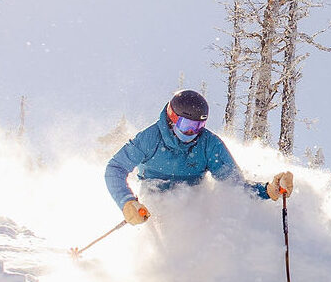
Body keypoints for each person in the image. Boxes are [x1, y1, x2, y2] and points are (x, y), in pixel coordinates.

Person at [105, 89, 294, 224]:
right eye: (187, 125)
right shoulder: (150, 139)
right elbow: (115, 168)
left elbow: (235, 186)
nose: (192, 132)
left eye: (198, 127)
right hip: (154, 203)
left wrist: (270, 190)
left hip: (192, 205)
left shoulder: (209, 145)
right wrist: (127, 202)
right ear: (172, 117)